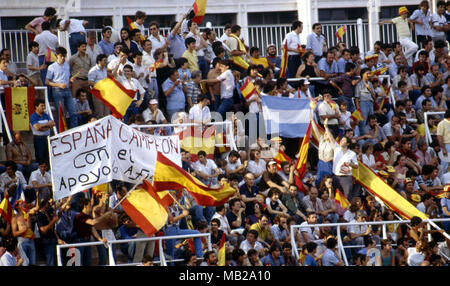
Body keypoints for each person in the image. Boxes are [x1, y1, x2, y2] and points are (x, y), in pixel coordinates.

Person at [46, 46, 78, 129]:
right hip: (57, 90)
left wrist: (71, 80)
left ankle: (74, 130)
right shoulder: (52, 67)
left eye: (64, 56)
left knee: (73, 112)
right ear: (57, 55)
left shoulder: (67, 66)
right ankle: (61, 132)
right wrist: (59, 85)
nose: (63, 58)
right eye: (61, 56)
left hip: (67, 89)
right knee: (61, 114)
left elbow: (68, 77)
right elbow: (47, 81)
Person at [29, 99, 55, 164]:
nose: (43, 107)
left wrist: (42, 126)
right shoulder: (33, 116)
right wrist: (47, 125)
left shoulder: (46, 115)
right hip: (39, 139)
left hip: (47, 138)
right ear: (36, 107)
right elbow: (37, 127)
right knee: (40, 158)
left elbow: (52, 124)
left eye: (44, 106)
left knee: (48, 157)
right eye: (41, 106)